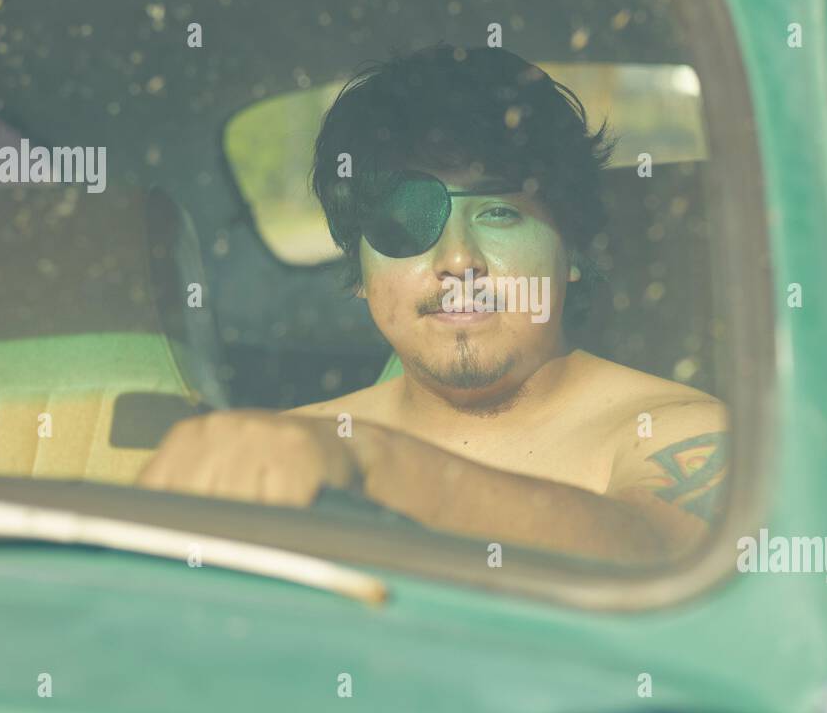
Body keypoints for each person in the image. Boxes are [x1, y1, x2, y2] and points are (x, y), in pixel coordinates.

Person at [138, 44, 728, 563]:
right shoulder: (288, 452)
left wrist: (373, 468)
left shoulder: (676, 433)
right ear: (359, 272)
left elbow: (659, 549)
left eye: (499, 213)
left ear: (571, 253)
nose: (457, 261)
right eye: (405, 223)